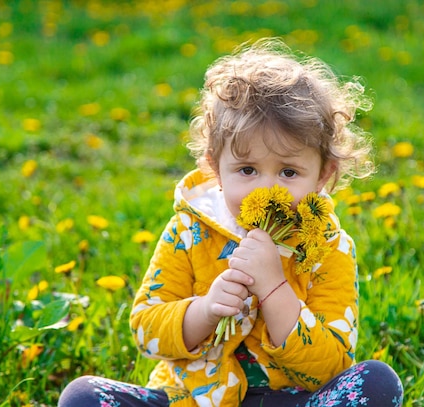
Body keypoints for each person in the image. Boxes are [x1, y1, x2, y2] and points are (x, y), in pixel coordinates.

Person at [59, 37, 403, 407]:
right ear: (214, 168)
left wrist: (273, 287)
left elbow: (329, 366)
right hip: (190, 398)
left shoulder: (328, 246)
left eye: (289, 172)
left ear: (323, 175)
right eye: (247, 169)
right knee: (82, 397)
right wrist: (204, 310)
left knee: (377, 384)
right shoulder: (189, 231)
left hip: (287, 400)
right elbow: (146, 330)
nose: (268, 188)